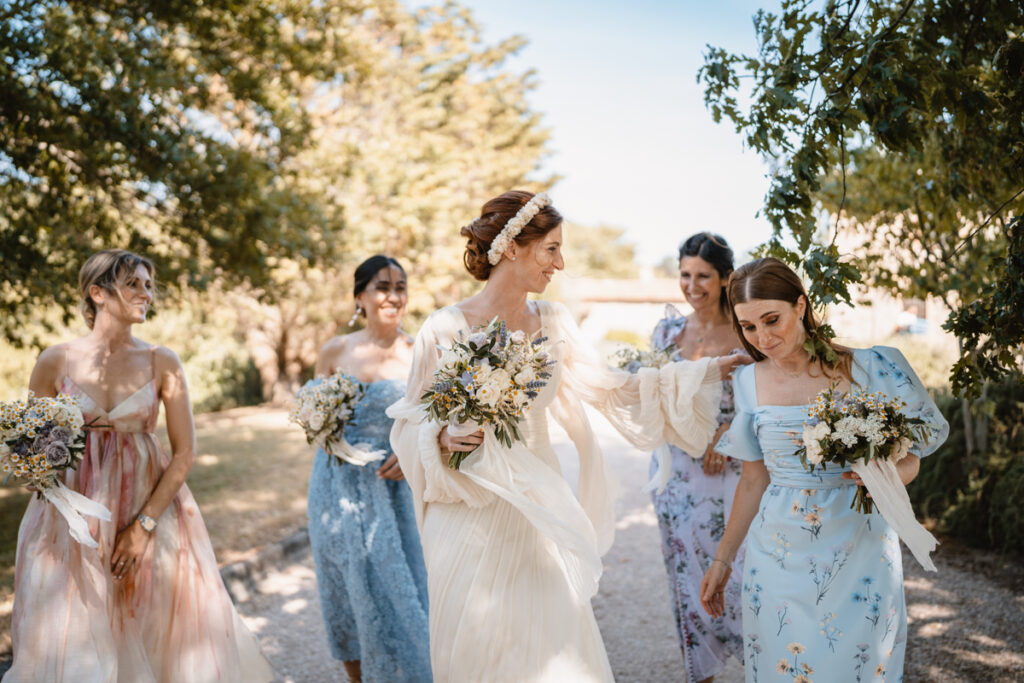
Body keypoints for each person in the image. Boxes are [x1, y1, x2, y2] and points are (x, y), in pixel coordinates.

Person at [386, 190, 750, 682]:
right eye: (551, 248)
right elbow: (411, 418)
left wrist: (705, 372)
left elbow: (613, 389)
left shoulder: (553, 322)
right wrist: (441, 436)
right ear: (513, 246)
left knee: (552, 654)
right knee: (477, 650)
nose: (561, 262)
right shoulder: (444, 327)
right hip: (468, 511)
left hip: (538, 508)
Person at [6, 249, 272, 682]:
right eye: (134, 284)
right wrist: (32, 472)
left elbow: (184, 452)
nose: (146, 293)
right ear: (98, 293)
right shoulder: (55, 360)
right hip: (70, 524)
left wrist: (142, 527)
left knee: (153, 632)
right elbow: (32, 452)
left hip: (150, 512)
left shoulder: (162, 362)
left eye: (149, 285)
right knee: (74, 637)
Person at [699, 257, 949, 682]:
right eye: (749, 327)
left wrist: (891, 476)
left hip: (860, 545)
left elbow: (914, 453)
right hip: (777, 554)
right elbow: (753, 479)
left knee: (859, 667)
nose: (763, 336)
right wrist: (722, 561)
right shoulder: (747, 382)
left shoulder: (872, 367)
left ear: (801, 305)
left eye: (772, 319)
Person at [306, 255, 431, 683]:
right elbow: (313, 417)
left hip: (395, 487)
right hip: (335, 486)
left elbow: (436, 422)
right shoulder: (335, 350)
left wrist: (412, 450)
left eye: (400, 286)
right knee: (344, 588)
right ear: (360, 296)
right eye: (383, 286)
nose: (393, 295)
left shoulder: (420, 352)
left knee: (403, 588)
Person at [648, 233, 744, 683]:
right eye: (685, 275)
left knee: (740, 571)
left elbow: (767, 395)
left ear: (725, 278)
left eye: (703, 276)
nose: (692, 285)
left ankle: (767, 662)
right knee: (686, 572)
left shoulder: (747, 328)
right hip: (677, 473)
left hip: (733, 471)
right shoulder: (667, 333)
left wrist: (730, 431)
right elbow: (655, 396)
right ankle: (699, 673)